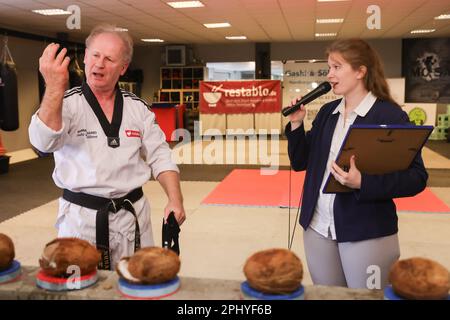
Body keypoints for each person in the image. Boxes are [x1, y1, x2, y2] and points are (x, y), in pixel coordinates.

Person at [29, 24, 186, 270]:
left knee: (136, 284)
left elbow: (161, 157)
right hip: (81, 221)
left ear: (123, 68)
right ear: (85, 57)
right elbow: (42, 143)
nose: (99, 64)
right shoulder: (66, 105)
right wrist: (54, 88)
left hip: (132, 217)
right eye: (95, 55)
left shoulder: (138, 109)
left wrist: (175, 200)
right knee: (82, 291)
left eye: (109, 59)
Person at [285, 39, 428, 289]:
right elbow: (300, 162)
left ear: (361, 71)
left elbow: (416, 178)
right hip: (318, 228)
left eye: (337, 67)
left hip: (366, 231)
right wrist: (297, 124)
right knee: (328, 296)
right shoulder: (327, 113)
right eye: (329, 67)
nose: (330, 74)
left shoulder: (389, 116)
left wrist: (364, 182)